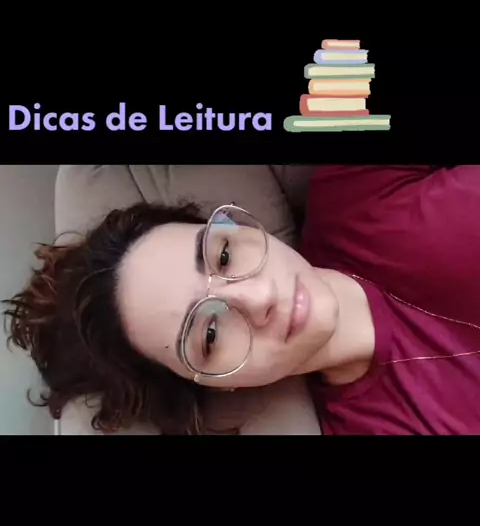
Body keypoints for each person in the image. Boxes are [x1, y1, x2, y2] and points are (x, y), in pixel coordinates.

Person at [3, 164, 480, 435]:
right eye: (210, 333)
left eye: (224, 254)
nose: (259, 296)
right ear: (217, 386)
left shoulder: (359, 181)